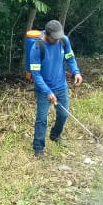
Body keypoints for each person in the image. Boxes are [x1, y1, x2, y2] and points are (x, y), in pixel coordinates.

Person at [28, 19, 82, 157]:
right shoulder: (37, 48)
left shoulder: (63, 40)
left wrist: (76, 72)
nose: (57, 40)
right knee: (42, 119)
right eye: (55, 38)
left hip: (61, 85)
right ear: (47, 34)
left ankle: (55, 135)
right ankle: (38, 148)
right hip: (43, 89)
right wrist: (48, 92)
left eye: (59, 37)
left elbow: (70, 58)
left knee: (64, 114)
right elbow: (36, 75)